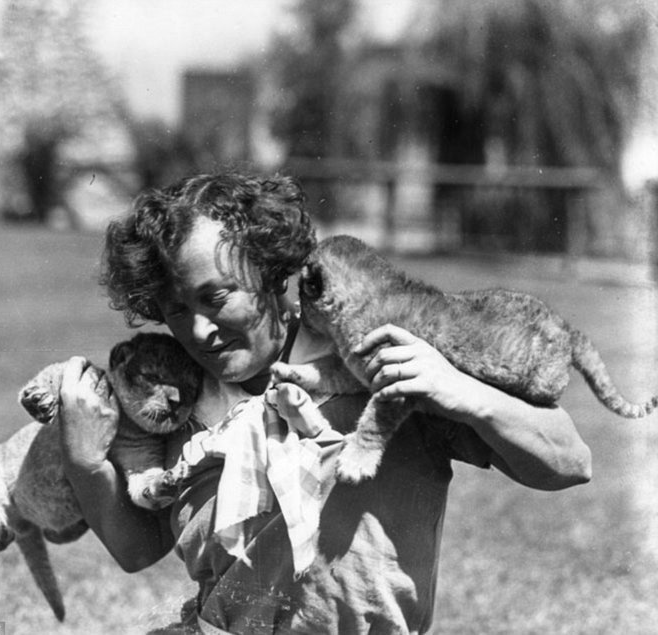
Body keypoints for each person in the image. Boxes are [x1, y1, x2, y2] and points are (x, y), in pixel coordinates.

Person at [57, 172, 591, 634]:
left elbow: (568, 463)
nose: (198, 329)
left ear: (268, 269)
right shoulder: (173, 400)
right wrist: (84, 461)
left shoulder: (377, 359)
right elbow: (137, 549)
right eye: (175, 310)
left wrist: (460, 391)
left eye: (216, 297)